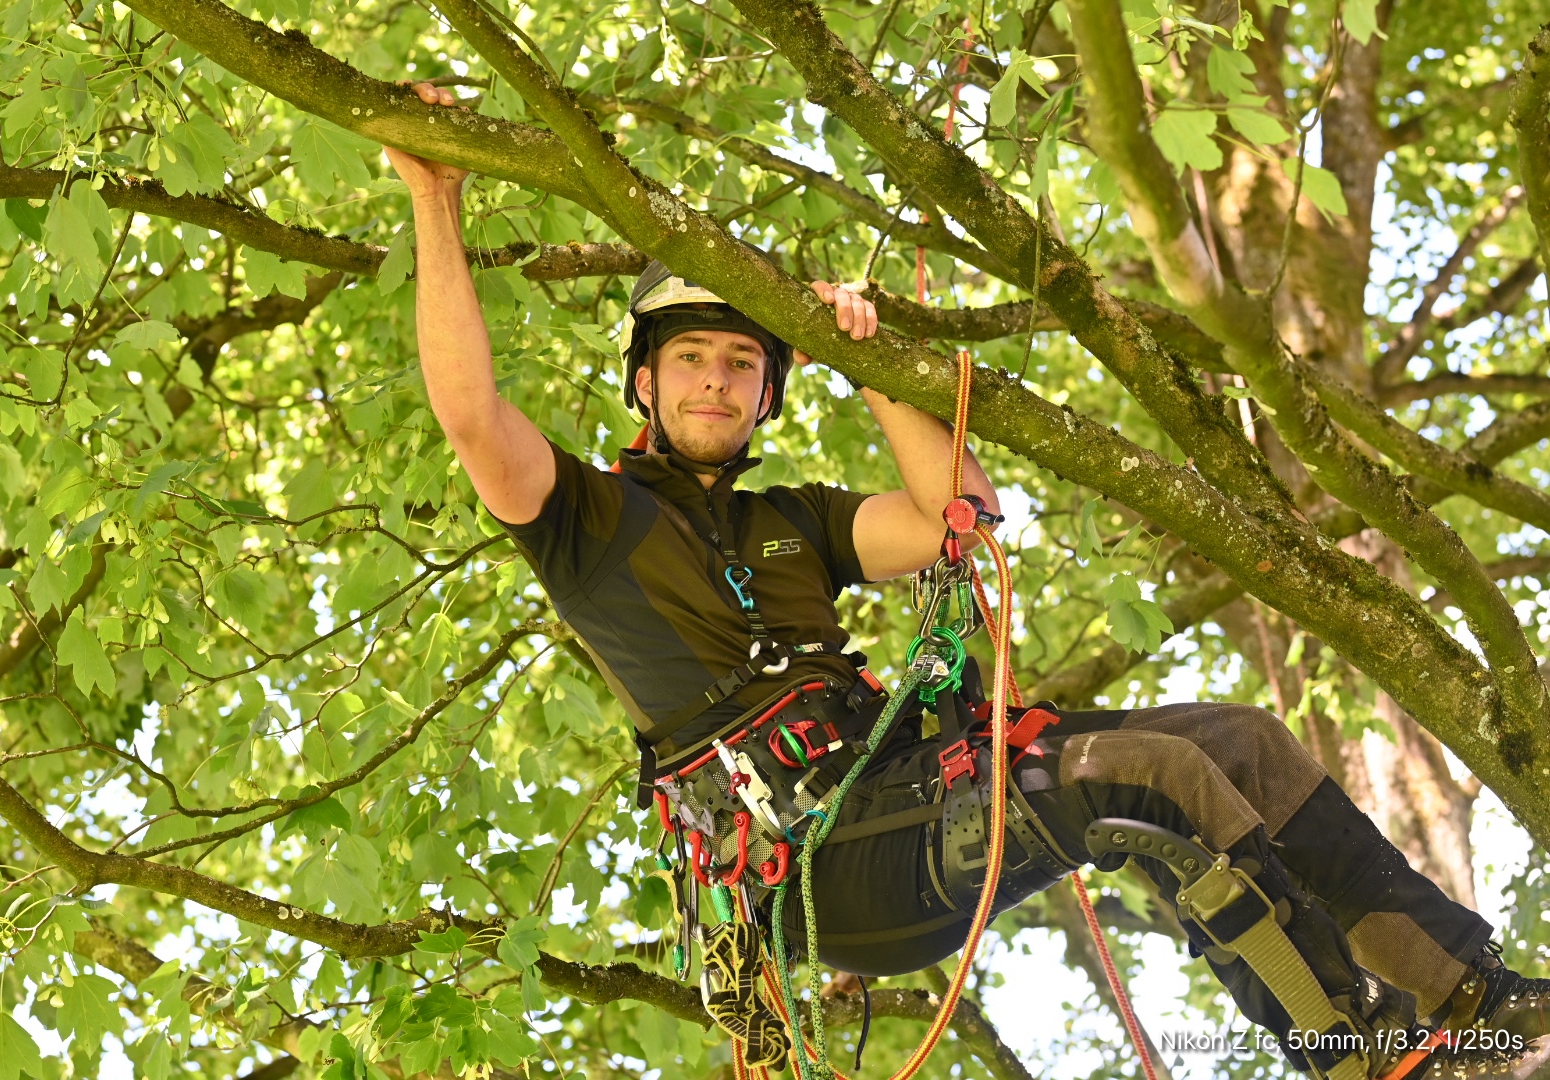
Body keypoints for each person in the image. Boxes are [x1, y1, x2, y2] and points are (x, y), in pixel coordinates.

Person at [384, 81, 1549, 1080]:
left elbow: (960, 517)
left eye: (744, 363)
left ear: (765, 396)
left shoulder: (794, 521)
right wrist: (437, 201)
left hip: (911, 787)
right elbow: (467, 412)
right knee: (1150, 776)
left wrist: (872, 365)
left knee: (1241, 741)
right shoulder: (585, 518)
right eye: (691, 358)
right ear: (645, 381)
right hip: (823, 864)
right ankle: (1353, 1046)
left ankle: (1470, 1000)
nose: (717, 382)